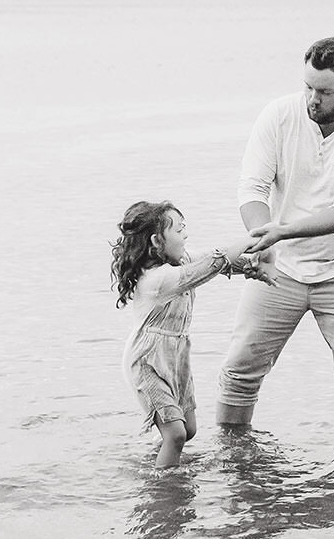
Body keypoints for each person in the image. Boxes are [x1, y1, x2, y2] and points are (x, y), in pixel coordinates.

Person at [218, 37, 334, 431]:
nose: (312, 99)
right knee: (239, 371)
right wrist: (261, 239)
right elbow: (252, 188)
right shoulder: (279, 116)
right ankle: (234, 461)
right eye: (308, 87)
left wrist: (281, 232)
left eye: (324, 91)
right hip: (279, 269)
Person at [111, 200, 265, 469]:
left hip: (175, 356)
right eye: (179, 231)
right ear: (157, 241)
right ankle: (164, 490)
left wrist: (250, 266)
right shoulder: (157, 279)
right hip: (147, 362)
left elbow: (213, 261)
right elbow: (209, 266)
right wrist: (249, 239)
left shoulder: (181, 261)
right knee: (176, 434)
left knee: (188, 429)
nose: (185, 236)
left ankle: (156, 464)